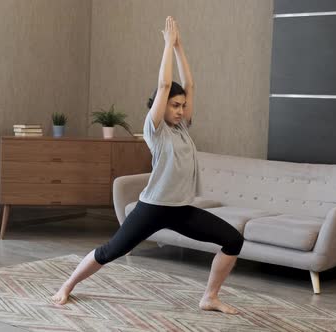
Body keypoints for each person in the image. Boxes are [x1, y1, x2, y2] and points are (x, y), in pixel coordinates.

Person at [52, 16, 244, 315]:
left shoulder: (182, 128)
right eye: (174, 105)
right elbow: (165, 83)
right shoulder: (156, 129)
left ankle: (210, 297)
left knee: (233, 240)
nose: (181, 110)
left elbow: (189, 84)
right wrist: (167, 46)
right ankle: (67, 285)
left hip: (180, 210)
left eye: (182, 106)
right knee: (110, 251)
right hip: (152, 209)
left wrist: (180, 47)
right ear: (161, 105)